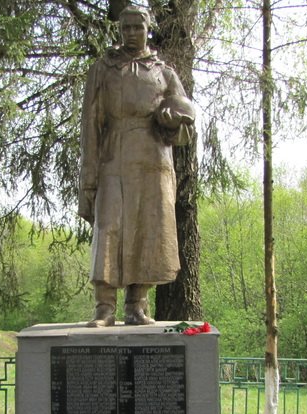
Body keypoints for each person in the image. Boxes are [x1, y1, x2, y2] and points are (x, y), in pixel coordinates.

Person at [78, 5, 195, 327]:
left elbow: (185, 118)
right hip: (113, 153)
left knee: (148, 227)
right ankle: (104, 307)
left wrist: (171, 119)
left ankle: (137, 305)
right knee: (110, 226)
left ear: (148, 29)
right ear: (119, 30)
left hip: (153, 157)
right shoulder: (104, 69)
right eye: (125, 28)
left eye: (137, 28)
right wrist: (88, 178)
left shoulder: (163, 72)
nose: (131, 33)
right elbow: (91, 123)